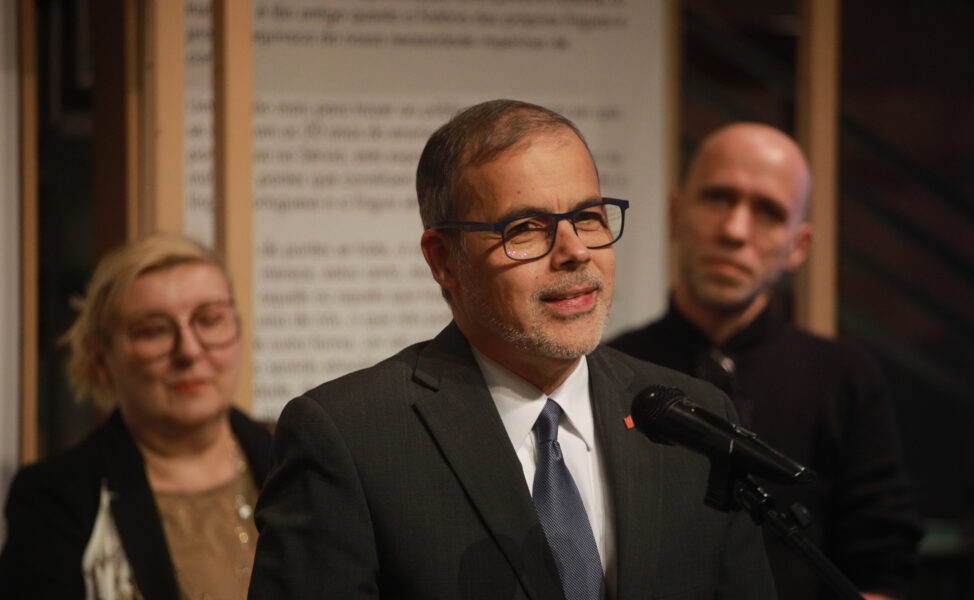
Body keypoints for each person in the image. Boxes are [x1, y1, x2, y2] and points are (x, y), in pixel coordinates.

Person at [248, 100, 776, 599]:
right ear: (444, 259)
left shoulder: (693, 419)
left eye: (588, 217)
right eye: (525, 229)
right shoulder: (349, 438)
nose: (575, 251)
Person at [610, 123, 923, 599]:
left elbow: (881, 565)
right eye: (718, 198)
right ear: (675, 214)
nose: (734, 231)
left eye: (768, 212)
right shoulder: (611, 368)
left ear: (799, 246)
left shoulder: (844, 376)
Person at [0, 234, 272, 600]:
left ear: (238, 330)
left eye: (209, 320)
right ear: (101, 359)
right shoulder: (56, 501)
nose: (189, 351)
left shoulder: (297, 460)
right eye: (153, 330)